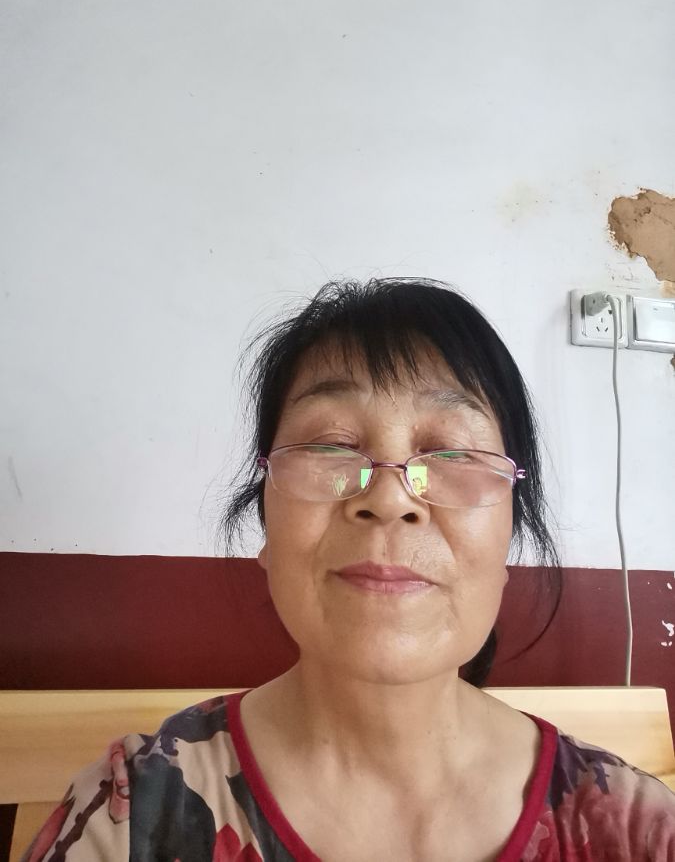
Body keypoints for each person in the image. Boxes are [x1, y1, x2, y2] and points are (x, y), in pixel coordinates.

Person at [22, 278, 674, 861]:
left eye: (451, 452)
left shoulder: (635, 828)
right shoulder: (134, 814)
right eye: (331, 447)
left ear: (508, 540)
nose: (389, 499)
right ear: (267, 528)